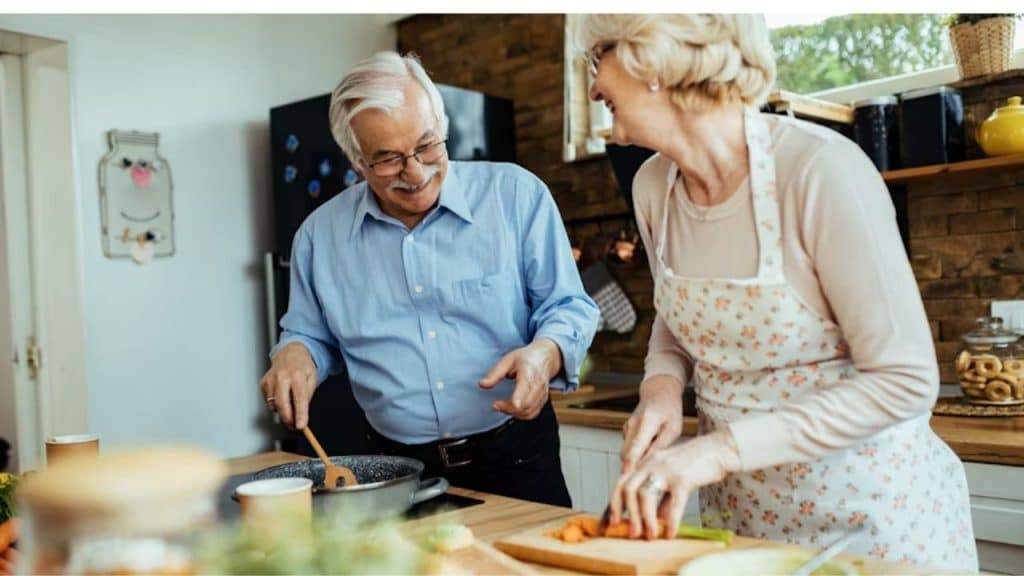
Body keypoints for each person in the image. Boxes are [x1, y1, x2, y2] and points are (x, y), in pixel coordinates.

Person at [579, 14, 977, 571]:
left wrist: (716, 451)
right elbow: (677, 317)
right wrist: (662, 389)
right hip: (744, 524)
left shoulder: (820, 170)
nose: (593, 86)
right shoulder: (652, 188)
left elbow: (904, 380)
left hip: (870, 523)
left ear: (656, 61)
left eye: (598, 59)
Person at [259, 51, 599, 507]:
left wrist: (546, 354)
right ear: (356, 160)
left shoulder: (516, 196)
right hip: (393, 468)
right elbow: (308, 334)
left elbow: (568, 307)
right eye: (388, 160)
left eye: (426, 146)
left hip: (516, 457)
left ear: (442, 128)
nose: (416, 173)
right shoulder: (319, 238)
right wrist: (295, 354)